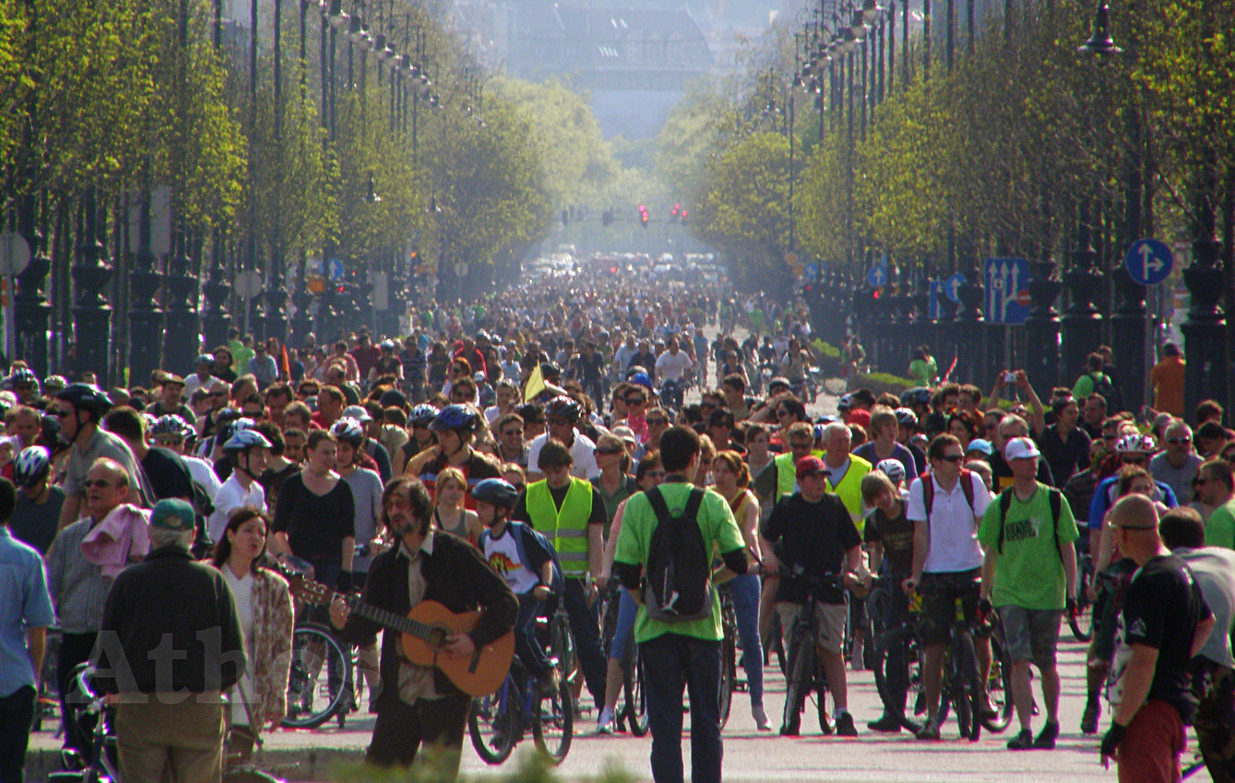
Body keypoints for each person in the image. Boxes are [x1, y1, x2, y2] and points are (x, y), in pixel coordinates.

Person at [329, 477, 517, 774]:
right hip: (399, 691)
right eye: (389, 506)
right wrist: (341, 624)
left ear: (420, 507)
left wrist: (474, 639)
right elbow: (366, 626)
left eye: (401, 503)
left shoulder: (455, 553)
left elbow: (506, 603)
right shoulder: (385, 566)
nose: (394, 511)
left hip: (447, 690)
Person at [613, 425, 747, 783]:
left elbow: (625, 570)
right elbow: (739, 562)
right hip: (704, 628)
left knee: (665, 727)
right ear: (695, 459)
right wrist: (708, 581)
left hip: (655, 629)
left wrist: (647, 599)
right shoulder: (712, 502)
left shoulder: (639, 504)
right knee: (706, 722)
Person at [89, 499, 245, 783]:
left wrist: (110, 688)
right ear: (193, 535)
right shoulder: (213, 581)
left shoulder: (128, 581)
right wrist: (212, 687)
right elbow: (235, 657)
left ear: (150, 533)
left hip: (141, 706)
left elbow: (107, 653)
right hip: (199, 706)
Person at [1100, 494, 1214, 782]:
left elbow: (1143, 660)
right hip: (1171, 705)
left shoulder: (1151, 580)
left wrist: (1119, 725)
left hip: (1147, 709)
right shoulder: (1179, 569)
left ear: (1124, 533)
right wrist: (1175, 660)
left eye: (1115, 531)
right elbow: (1206, 622)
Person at [978, 437, 1079, 750]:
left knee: (1047, 662)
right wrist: (986, 594)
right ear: (1011, 463)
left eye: (1034, 457)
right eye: (1023, 458)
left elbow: (1068, 547)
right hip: (1011, 594)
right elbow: (991, 552)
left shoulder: (1054, 500)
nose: (1031, 462)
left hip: (1049, 592)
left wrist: (1072, 593)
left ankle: (1051, 721)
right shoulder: (1001, 505)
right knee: (1018, 660)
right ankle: (1024, 728)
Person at [45, 457, 149, 754]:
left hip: (116, 643)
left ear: (122, 491)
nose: (92, 489)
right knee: (76, 727)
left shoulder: (138, 530)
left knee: (115, 731)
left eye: (101, 483)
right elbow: (54, 585)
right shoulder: (70, 536)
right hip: (75, 637)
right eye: (87, 483)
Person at [760, 454, 862, 736]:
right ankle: (793, 705)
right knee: (795, 640)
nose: (820, 483)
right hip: (794, 580)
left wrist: (851, 571)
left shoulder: (834, 505)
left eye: (823, 478)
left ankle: (841, 711)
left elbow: (853, 545)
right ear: (800, 481)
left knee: (831, 648)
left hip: (829, 580)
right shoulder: (788, 505)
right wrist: (769, 557)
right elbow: (766, 537)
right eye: (814, 478)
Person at [904, 434, 995, 740]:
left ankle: (982, 694)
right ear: (935, 462)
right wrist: (916, 575)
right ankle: (932, 716)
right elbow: (920, 533)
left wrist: (992, 568)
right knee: (934, 646)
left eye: (962, 457)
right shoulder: (921, 487)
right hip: (936, 572)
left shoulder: (972, 484)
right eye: (954, 458)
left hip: (972, 568)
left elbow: (985, 526)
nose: (961, 463)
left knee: (981, 634)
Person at [511, 439, 609, 717]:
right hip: (542, 579)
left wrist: (595, 578)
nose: (554, 477)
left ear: (570, 466)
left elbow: (595, 538)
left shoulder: (588, 493)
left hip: (577, 578)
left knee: (589, 643)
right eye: (548, 471)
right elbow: (520, 539)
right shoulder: (530, 495)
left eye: (559, 470)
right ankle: (529, 707)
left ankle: (604, 705)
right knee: (532, 637)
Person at [210, 506, 294, 763]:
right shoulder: (208, 577)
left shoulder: (273, 586)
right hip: (207, 688)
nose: (256, 537)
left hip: (251, 688)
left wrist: (278, 697)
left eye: (261, 532)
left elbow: (282, 646)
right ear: (231, 535)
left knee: (239, 765)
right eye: (248, 530)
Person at [1158, 506, 1235, 782]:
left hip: (1186, 657)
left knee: (1183, 729)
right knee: (1224, 734)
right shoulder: (1228, 557)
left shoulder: (1164, 567)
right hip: (1220, 658)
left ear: (1163, 540)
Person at [474, 478, 559, 695]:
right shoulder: (484, 538)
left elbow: (545, 561)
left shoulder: (519, 532)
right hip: (507, 599)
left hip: (531, 596)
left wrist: (545, 586)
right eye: (478, 506)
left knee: (521, 632)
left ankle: (546, 672)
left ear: (501, 509)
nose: (478, 511)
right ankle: (510, 705)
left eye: (484, 506)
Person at [0, 476, 55, 783]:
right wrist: (33, 677)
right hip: (15, 680)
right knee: (11, 768)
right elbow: (38, 627)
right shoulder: (27, 558)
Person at [711, 450, 769, 730]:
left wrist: (756, 559)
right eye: (716, 470)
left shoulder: (749, 500)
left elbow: (751, 532)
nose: (719, 476)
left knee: (749, 634)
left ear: (737, 474)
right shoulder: (707, 496)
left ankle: (757, 705)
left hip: (743, 564)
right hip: (713, 564)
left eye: (725, 471)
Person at [862, 470, 916, 732]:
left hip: (920, 578)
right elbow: (876, 550)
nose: (883, 499)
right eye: (876, 496)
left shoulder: (910, 510)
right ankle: (893, 712)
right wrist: (873, 573)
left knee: (930, 638)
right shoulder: (874, 520)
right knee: (895, 647)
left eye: (885, 491)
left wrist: (918, 574)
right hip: (895, 580)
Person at [269, 430, 356, 594]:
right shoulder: (292, 484)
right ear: (310, 452)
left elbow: (348, 535)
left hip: (331, 565)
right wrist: (293, 563)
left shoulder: (343, 488)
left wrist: (346, 571)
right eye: (325, 452)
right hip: (300, 564)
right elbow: (279, 529)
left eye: (333, 453)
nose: (330, 457)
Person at [52, 384, 148, 530]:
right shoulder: (77, 450)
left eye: (63, 414)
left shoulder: (109, 448)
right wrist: (57, 548)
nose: (58, 419)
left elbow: (133, 503)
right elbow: (71, 504)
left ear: (84, 416)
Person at [208, 428, 270, 543]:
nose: (264, 462)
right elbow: (244, 522)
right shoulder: (229, 490)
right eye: (258, 455)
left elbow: (265, 530)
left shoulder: (257, 490)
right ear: (242, 458)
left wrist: (281, 555)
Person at [526, 396, 598, 482]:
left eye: (560, 422)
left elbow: (593, 486)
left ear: (572, 424)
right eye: (550, 421)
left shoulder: (588, 448)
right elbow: (534, 483)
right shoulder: (538, 444)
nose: (553, 426)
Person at [9, 446, 65, 555]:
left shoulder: (63, 500)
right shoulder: (14, 501)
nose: (26, 490)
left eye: (32, 485)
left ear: (45, 477)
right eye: (23, 485)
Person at [1151, 420, 1202, 505]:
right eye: (1173, 441)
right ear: (1165, 443)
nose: (1179, 445)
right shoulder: (1155, 464)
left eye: (1184, 441)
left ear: (1191, 444)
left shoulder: (1200, 465)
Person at [1199, 459, 1235, 548]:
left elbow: (1217, 559)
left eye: (1202, 482)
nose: (1198, 488)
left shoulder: (1223, 516)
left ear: (1218, 485)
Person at [1150, 342, 1186, 417]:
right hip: (1182, 406)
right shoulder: (1185, 367)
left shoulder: (1160, 367)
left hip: (1164, 407)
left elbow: (1152, 383)